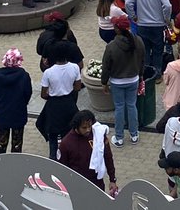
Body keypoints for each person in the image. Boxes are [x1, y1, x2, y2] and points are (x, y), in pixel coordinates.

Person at [100, 14, 145, 146]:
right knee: (132, 106)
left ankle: (119, 137)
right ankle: (134, 135)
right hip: (133, 79)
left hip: (117, 81)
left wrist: (104, 82)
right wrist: (141, 76)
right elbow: (142, 61)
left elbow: (106, 66)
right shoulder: (139, 41)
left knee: (119, 107)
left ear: (117, 29)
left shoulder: (111, 46)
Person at [36, 41, 83, 159]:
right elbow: (77, 87)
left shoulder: (48, 72)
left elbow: (43, 94)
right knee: (69, 133)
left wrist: (52, 94)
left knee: (53, 136)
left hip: (54, 105)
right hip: (69, 104)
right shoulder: (74, 67)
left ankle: (53, 160)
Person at [56, 109, 116, 192]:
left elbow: (108, 157)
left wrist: (112, 179)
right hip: (77, 185)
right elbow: (62, 168)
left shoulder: (98, 135)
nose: (88, 130)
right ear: (76, 126)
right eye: (84, 127)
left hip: (97, 183)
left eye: (90, 126)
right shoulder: (66, 143)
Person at [0, 48, 33, 154]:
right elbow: (28, 93)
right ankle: (14, 164)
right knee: (17, 143)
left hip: (3, 112)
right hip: (18, 113)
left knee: (1, 141)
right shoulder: (24, 76)